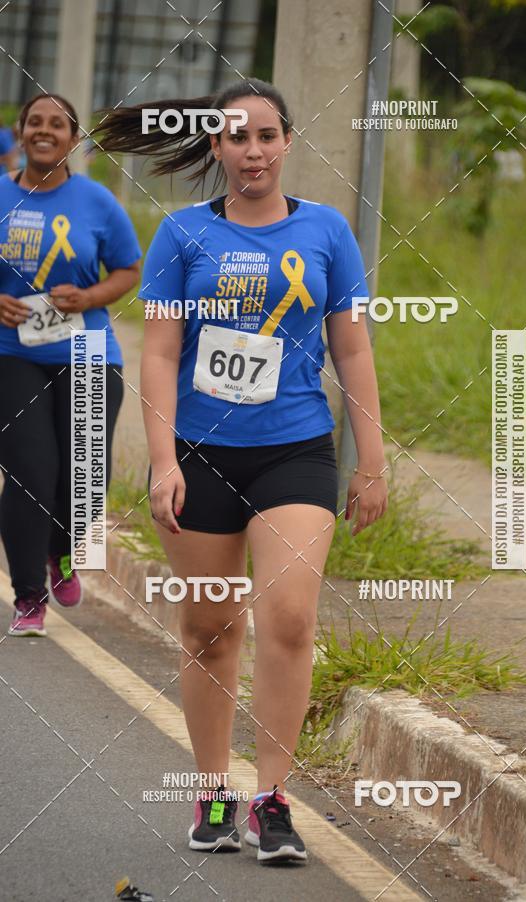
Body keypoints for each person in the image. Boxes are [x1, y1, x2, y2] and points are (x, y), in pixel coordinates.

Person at [94, 78, 387, 863]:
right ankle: (214, 792)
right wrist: (163, 462)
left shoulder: (327, 231)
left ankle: (273, 801)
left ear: (287, 141)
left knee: (288, 619)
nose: (252, 151)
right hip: (200, 454)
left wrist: (372, 462)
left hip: (296, 449)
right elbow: (159, 353)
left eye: (266, 135)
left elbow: (353, 347)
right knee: (210, 628)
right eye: (236, 137)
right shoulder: (181, 234)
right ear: (216, 146)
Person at [0, 94, 141, 637]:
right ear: (21, 132)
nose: (44, 130)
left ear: (73, 139)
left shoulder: (97, 201)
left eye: (57, 124)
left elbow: (128, 268)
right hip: (13, 353)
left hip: (87, 352)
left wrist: (89, 296)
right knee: (30, 473)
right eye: (35, 121)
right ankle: (28, 596)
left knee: (84, 477)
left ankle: (63, 552)